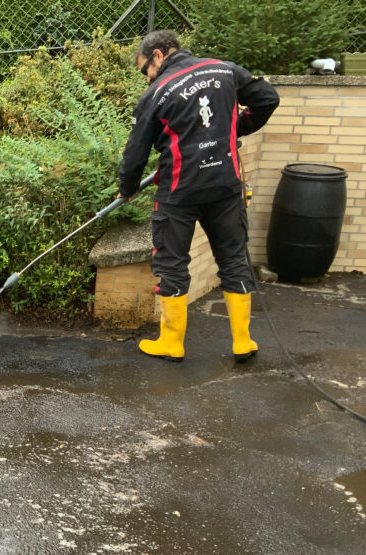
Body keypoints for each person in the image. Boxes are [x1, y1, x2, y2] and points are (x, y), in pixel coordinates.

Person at [117, 30, 280, 362]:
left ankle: (171, 343)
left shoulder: (156, 94)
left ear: (158, 55)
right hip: (225, 185)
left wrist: (128, 187)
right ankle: (243, 341)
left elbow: (135, 153)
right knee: (234, 259)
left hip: (179, 190)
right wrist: (238, 126)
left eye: (144, 68)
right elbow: (267, 99)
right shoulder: (226, 70)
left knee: (172, 263)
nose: (146, 76)